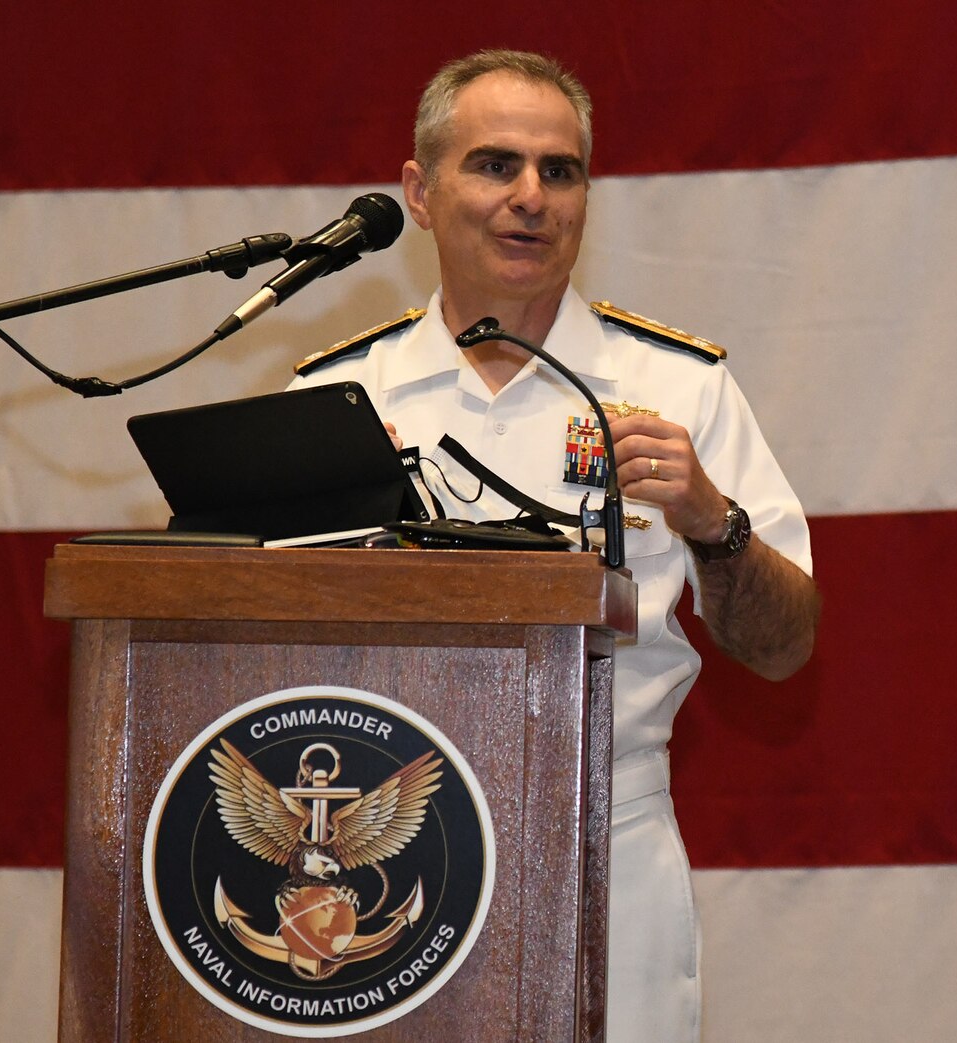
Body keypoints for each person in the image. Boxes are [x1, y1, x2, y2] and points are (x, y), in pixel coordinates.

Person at [289, 49, 819, 1041]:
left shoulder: (677, 388)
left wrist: (711, 518)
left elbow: (783, 646)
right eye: (494, 165)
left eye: (559, 170)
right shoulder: (331, 400)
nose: (530, 196)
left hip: (602, 842)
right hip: (374, 863)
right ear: (418, 191)